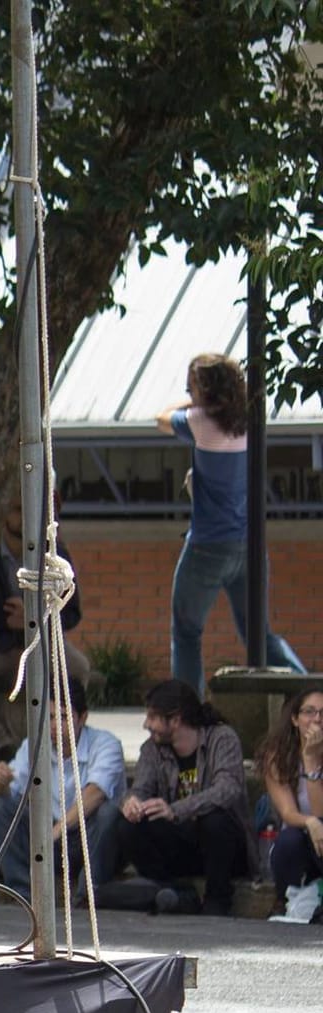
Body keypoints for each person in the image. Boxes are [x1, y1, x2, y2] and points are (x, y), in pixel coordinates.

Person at [157, 352, 305, 692]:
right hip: (249, 545)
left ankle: (187, 710)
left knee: (187, 632)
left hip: (207, 547)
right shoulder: (250, 421)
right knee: (259, 634)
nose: (189, 392)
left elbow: (161, 419)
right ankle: (308, 690)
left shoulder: (199, 421)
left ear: (206, 390)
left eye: (192, 386)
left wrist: (194, 402)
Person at [0, 498, 92, 765]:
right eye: (19, 509)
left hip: (42, 640)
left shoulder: (56, 552)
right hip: (0, 645)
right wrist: (6, 622)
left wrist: (36, 618)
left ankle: (64, 734)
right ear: (5, 512)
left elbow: (72, 613)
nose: (27, 517)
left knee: (79, 668)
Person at [0, 675, 126, 895]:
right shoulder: (33, 745)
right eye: (50, 717)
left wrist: (54, 833)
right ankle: (24, 891)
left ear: (83, 718)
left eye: (64, 717)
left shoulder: (106, 744)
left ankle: (89, 890)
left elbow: (95, 793)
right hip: (50, 837)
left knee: (108, 813)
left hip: (85, 837)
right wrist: (0, 783)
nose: (56, 726)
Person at [121, 678, 253, 914]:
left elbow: (227, 788)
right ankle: (171, 891)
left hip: (225, 849)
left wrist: (176, 810)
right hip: (182, 842)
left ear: (176, 719)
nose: (146, 725)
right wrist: (132, 802)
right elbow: (140, 787)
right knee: (130, 825)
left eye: (153, 717)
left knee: (214, 819)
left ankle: (217, 901)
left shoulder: (221, 738)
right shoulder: (152, 749)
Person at [258, 690, 323, 921]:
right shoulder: (278, 755)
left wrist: (312, 760)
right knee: (289, 839)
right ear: (295, 719)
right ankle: (285, 899)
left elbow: (320, 812)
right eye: (309, 712)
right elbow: (288, 812)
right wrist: (311, 823)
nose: (317, 719)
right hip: (300, 839)